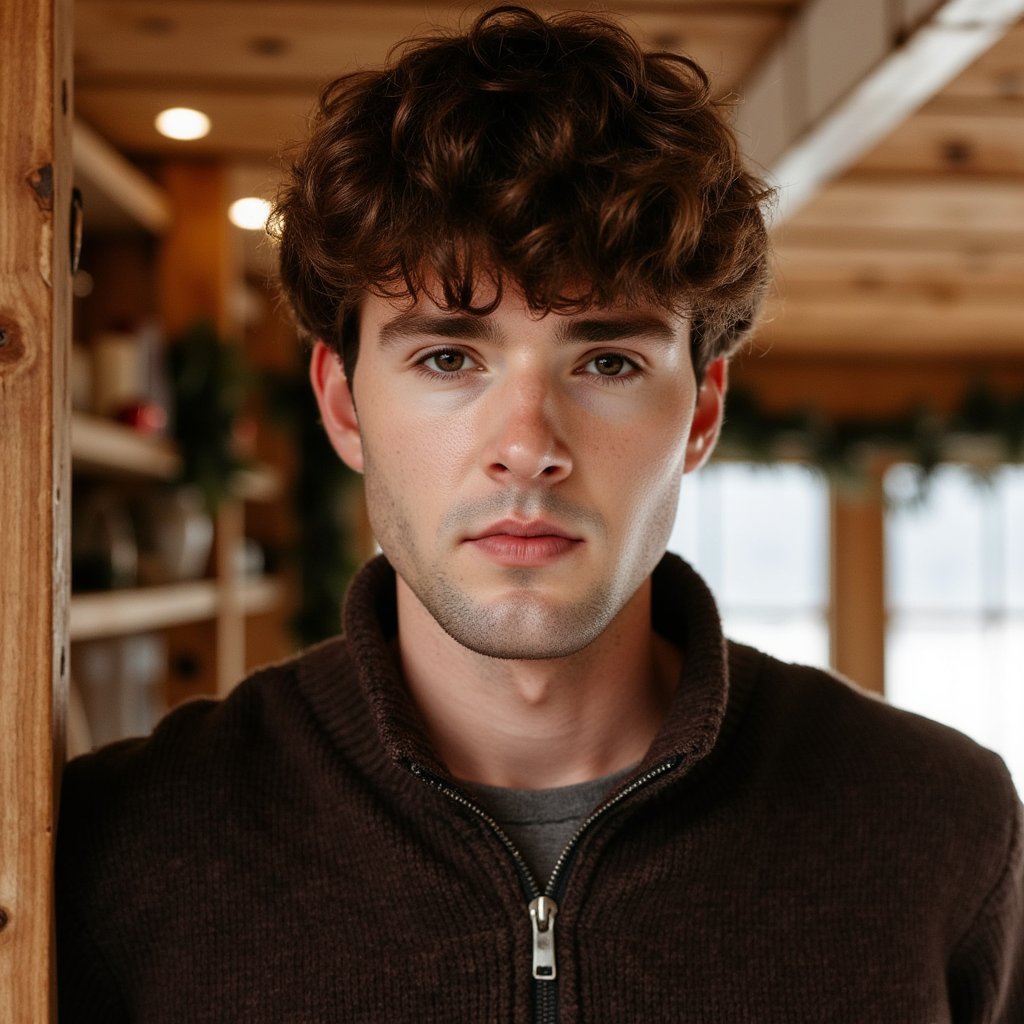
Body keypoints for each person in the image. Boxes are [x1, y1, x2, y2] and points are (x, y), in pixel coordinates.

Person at [57, 6, 1023, 1021]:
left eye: (605, 361)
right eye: (447, 358)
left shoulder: (935, 827)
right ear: (344, 405)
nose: (528, 442)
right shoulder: (127, 851)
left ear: (700, 411)